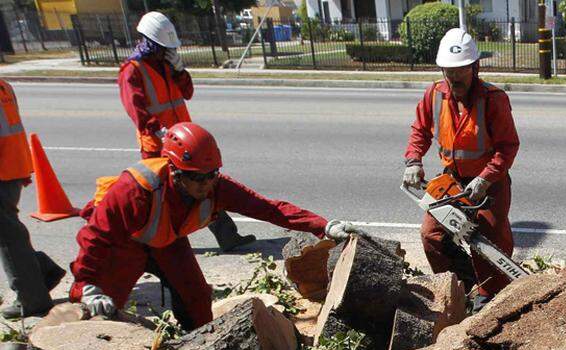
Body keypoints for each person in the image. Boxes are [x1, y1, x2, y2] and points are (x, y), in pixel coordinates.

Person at [70, 122, 354, 330]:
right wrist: (87, 284)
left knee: (196, 298)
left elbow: (268, 208)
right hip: (124, 246)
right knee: (105, 312)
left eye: (211, 175)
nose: (205, 184)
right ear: (174, 171)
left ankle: (196, 347)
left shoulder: (217, 187)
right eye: (196, 178)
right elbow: (95, 237)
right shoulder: (137, 190)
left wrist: (323, 226)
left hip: (168, 242)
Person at [119, 11, 256, 253]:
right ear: (149, 42)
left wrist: (180, 71)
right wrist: (157, 131)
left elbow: (188, 92)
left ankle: (226, 236)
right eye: (162, 47)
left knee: (205, 187)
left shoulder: (167, 66)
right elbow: (136, 109)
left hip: (184, 142)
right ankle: (154, 245)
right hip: (157, 146)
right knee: (166, 198)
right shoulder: (132, 70)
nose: (166, 52)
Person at [403, 28, 520, 304]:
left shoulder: (493, 100)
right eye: (448, 70)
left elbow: (508, 147)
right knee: (431, 234)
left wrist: (486, 178)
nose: (454, 77)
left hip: (489, 184)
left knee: (491, 245)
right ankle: (461, 287)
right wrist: (413, 160)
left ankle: (489, 297)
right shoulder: (435, 94)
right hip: (452, 181)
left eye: (460, 70)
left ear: (475, 67)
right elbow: (420, 130)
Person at [0, 79, 64, 318]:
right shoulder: (4, 86)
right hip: (11, 169)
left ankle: (31, 298)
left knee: (9, 237)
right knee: (11, 232)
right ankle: (41, 271)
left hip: (4, 172)